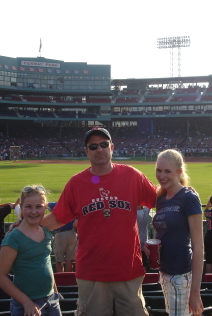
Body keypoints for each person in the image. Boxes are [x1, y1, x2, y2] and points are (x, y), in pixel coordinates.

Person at [41, 127, 157, 316]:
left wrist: (181, 189)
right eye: (93, 146)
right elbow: (57, 218)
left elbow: (158, 199)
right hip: (91, 274)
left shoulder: (132, 176)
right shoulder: (76, 183)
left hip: (128, 271)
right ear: (86, 152)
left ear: (112, 147)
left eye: (103, 145)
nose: (99, 150)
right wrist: (28, 228)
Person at [151, 149, 204, 316]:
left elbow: (198, 246)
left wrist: (195, 292)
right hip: (165, 273)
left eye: (168, 171)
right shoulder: (160, 198)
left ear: (180, 172)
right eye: (159, 170)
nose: (162, 175)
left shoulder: (188, 197)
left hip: (181, 276)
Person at [0, 185, 61, 316]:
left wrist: (55, 290)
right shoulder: (14, 238)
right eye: (28, 207)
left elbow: (45, 262)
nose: (34, 211)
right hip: (26, 306)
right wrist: (26, 302)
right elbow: (0, 276)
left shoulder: (45, 231)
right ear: (21, 208)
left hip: (51, 300)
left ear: (45, 206)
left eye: (39, 206)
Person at [47, 202, 77, 272]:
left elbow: (45, 205)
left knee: (59, 260)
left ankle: (61, 279)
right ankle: (68, 280)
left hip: (60, 234)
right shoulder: (73, 205)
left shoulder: (55, 204)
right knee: (69, 259)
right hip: (72, 233)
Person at [137, 204, 151, 271]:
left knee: (143, 265)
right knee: (143, 265)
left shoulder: (145, 210)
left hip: (142, 244)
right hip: (141, 244)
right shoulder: (145, 210)